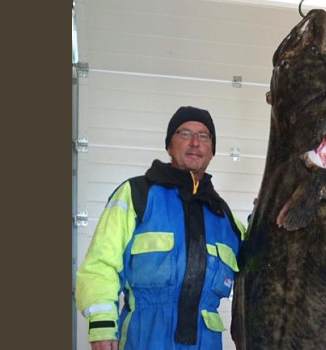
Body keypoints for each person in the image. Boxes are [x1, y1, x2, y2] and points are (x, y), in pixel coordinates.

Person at [75, 106, 245, 350]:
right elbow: (101, 264)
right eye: (184, 133)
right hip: (144, 339)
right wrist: (102, 325)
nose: (195, 142)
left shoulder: (224, 216)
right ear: (169, 146)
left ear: (212, 150)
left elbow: (266, 269)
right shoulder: (137, 194)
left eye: (204, 135)